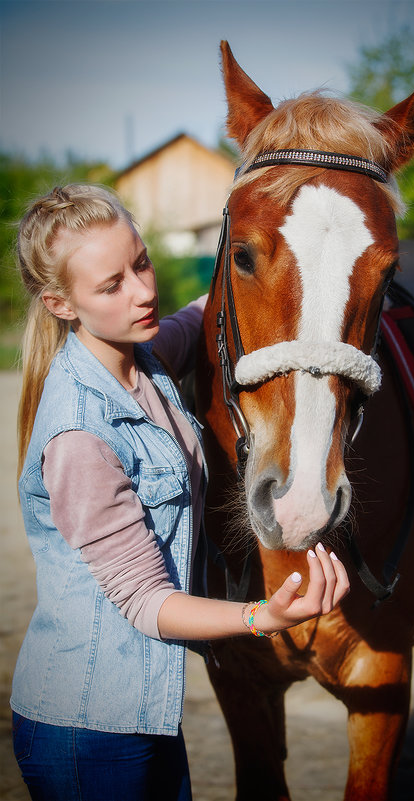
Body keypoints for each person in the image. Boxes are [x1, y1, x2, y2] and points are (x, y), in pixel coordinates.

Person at [11, 183, 350, 801]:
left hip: (144, 707)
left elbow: (205, 313)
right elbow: (146, 603)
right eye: (111, 285)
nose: (143, 291)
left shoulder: (144, 356)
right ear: (61, 303)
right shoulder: (80, 433)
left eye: (140, 262)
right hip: (87, 730)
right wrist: (263, 617)